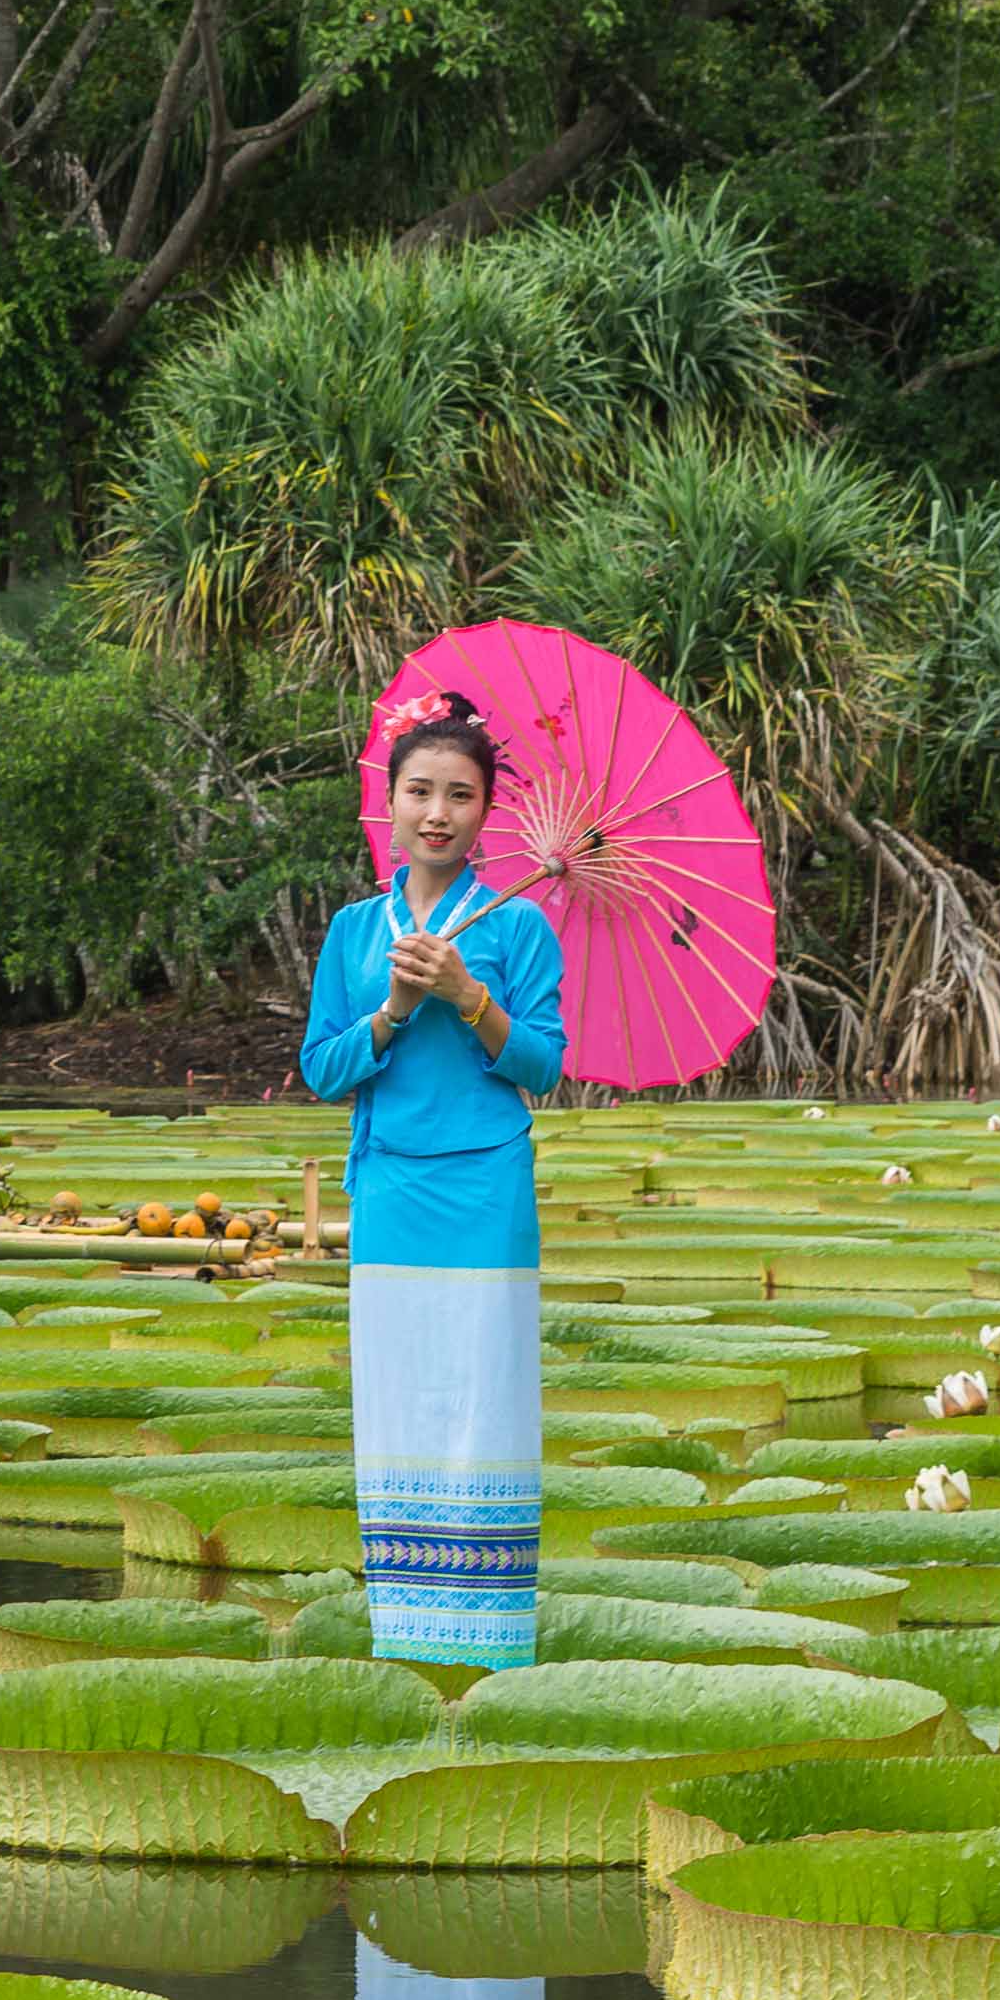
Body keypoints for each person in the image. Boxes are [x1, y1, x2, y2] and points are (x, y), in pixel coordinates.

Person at [297, 693, 568, 1667]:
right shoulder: (353, 931)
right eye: (420, 791)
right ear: (391, 801)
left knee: (485, 1405)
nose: (438, 811)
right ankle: (406, 1637)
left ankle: (492, 1647)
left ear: (486, 810)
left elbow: (543, 1067)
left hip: (488, 1193)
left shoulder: (520, 926)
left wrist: (469, 996)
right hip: (394, 1195)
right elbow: (324, 1068)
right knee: (404, 1406)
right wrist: (399, 1007)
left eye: (460, 794)